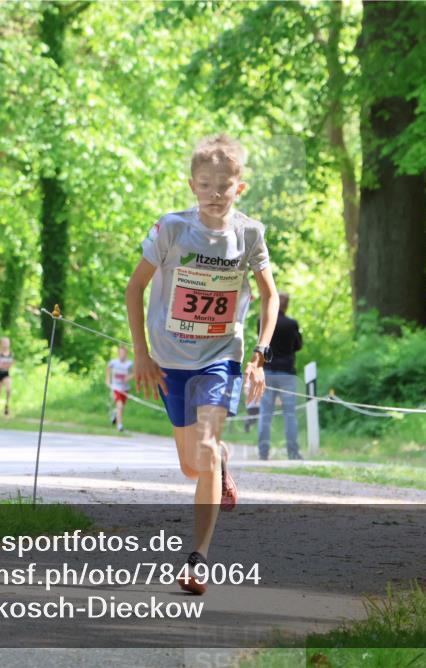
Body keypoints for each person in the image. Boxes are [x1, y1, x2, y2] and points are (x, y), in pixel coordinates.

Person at [126, 133, 279, 595]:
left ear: (240, 187)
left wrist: (258, 356)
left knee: (207, 449)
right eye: (206, 184)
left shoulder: (250, 234)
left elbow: (270, 298)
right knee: (193, 467)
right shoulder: (171, 229)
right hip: (171, 359)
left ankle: (197, 559)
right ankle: (222, 465)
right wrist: (141, 353)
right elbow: (135, 289)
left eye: (224, 185)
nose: (215, 193)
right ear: (191, 185)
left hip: (220, 357)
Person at [257, 292, 303, 460]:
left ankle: (263, 452)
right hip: (287, 373)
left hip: (267, 372)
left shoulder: (262, 321)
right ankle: (293, 452)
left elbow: (260, 343)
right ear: (287, 305)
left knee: (265, 414)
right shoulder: (292, 324)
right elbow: (298, 345)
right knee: (290, 415)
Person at [105, 345, 134, 432]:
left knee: (121, 407)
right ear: (118, 353)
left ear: (126, 354)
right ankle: (119, 426)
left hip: (124, 389)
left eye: (123, 353)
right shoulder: (114, 362)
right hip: (116, 388)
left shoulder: (129, 364)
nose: (122, 355)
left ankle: (115, 414)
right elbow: (108, 368)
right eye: (120, 353)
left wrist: (128, 378)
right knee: (120, 405)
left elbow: (135, 372)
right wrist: (107, 380)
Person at [0, 337, 14, 416]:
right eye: (4, 343)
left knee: (8, 389)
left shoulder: (11, 353)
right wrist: (1, 366)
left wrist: (8, 366)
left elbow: (11, 364)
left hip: (6, 374)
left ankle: (6, 406)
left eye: (7, 343)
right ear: (1, 344)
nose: (5, 344)